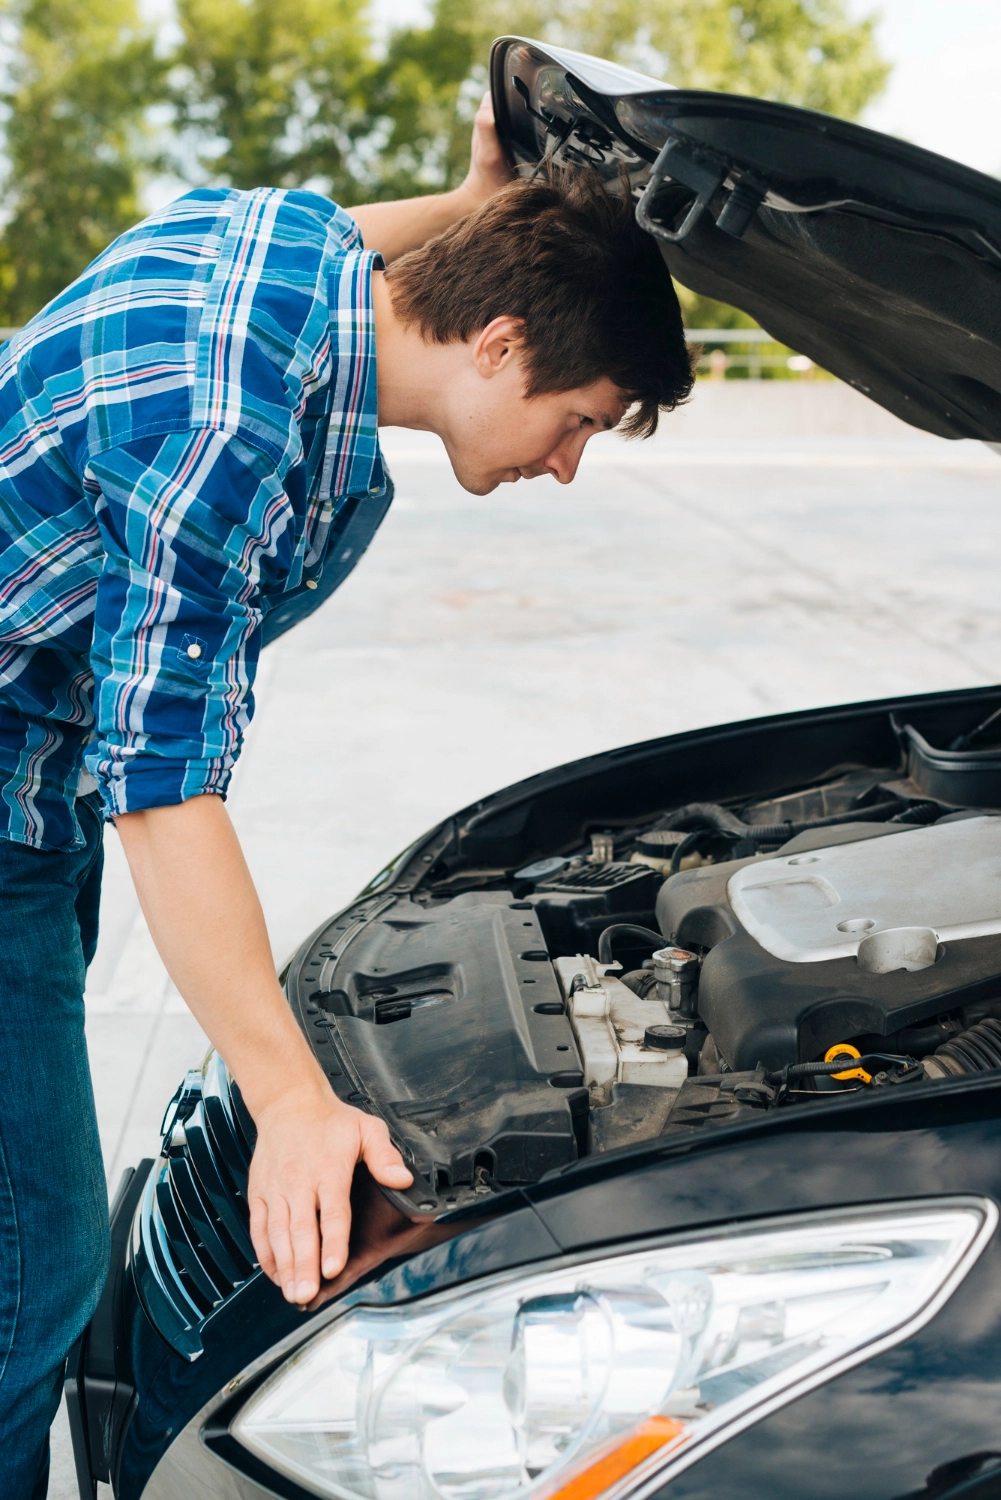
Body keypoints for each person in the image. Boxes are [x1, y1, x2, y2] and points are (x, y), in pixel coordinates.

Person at [0, 94, 694, 1494]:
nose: (566, 464)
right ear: (501, 347)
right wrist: (297, 1104)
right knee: (39, 1263)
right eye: (579, 423)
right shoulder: (219, 424)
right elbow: (165, 789)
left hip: (32, 778)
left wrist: (484, 200)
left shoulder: (286, 257)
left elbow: (375, 241)